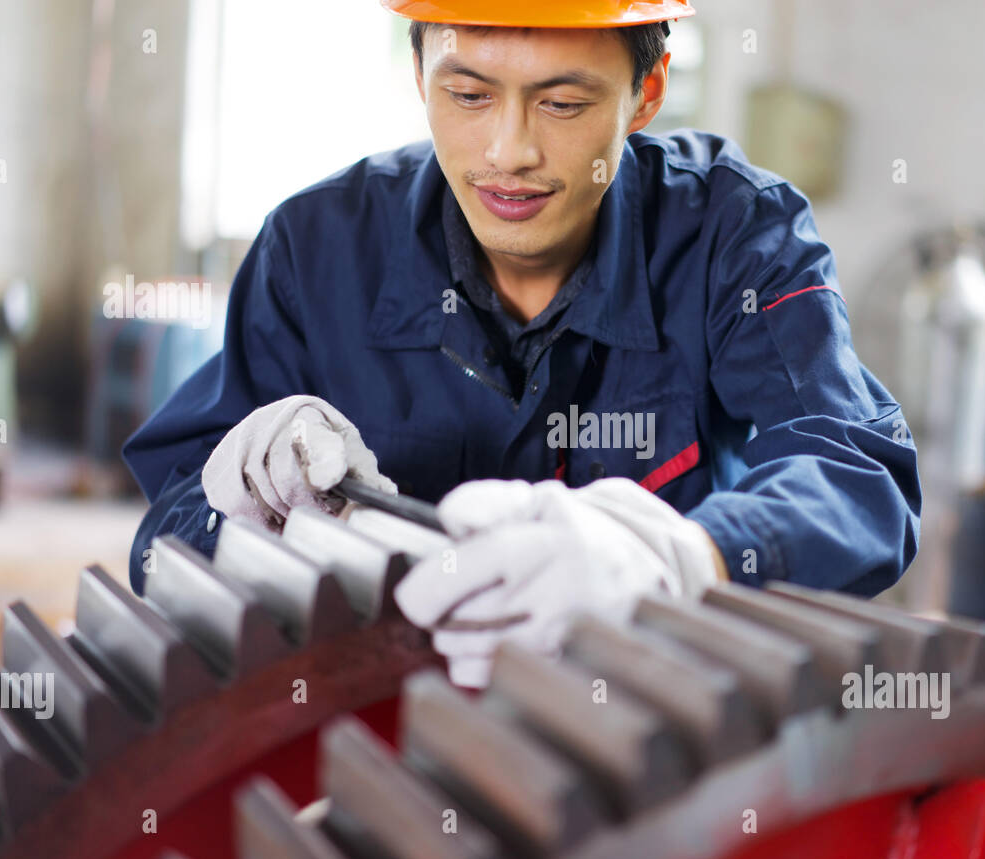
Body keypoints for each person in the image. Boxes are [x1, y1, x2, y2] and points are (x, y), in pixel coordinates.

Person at [123, 0, 922, 688]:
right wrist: (244, 514)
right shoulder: (316, 248)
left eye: (563, 104)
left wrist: (684, 556)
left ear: (646, 93)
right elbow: (164, 539)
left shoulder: (733, 238)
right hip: (375, 731)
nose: (509, 151)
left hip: (646, 735)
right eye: (468, 93)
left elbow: (859, 477)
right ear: (417, 74)